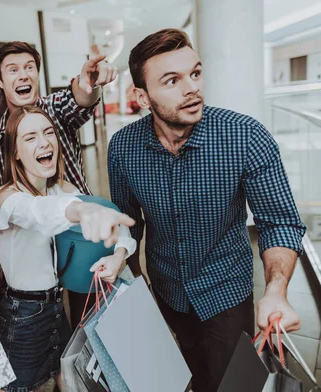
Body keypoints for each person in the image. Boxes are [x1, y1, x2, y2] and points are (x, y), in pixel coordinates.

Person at [107, 28, 307, 391]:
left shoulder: (245, 136)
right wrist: (137, 297)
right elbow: (128, 226)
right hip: (165, 292)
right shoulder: (123, 148)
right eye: (172, 80)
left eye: (195, 74)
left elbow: (279, 223)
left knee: (233, 384)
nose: (192, 88)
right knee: (183, 379)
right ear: (142, 97)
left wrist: (276, 290)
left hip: (226, 294)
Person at [0, 105, 136, 392]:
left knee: (66, 382)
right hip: (23, 318)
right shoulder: (2, 200)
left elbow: (115, 221)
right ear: (15, 152)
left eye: (48, 133)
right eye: (30, 137)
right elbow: (37, 212)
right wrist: (80, 210)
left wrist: (119, 255)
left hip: (57, 309)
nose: (44, 142)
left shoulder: (59, 189)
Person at [0, 41, 120, 327]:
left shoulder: (53, 108)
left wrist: (89, 85)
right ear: (0, 81)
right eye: (13, 70)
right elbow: (4, 199)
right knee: (49, 321)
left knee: (91, 316)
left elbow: (79, 98)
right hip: (35, 244)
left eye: (29, 68)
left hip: (75, 233)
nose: (23, 75)